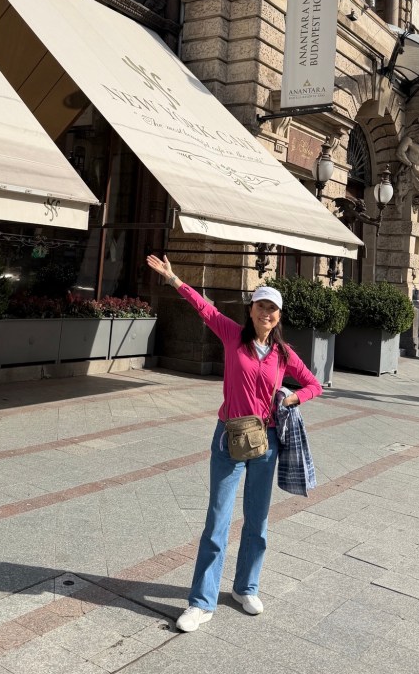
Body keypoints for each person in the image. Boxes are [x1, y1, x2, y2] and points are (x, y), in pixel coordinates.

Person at [146, 253, 322, 633]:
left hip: (266, 442)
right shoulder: (232, 336)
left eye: (273, 309)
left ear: (278, 316)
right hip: (229, 437)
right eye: (261, 306)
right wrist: (174, 279)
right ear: (251, 310)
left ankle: (246, 587)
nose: (266, 313)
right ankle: (201, 602)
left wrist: (292, 397)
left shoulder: (283, 353)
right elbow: (204, 308)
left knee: (257, 520)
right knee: (217, 520)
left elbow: (314, 385)